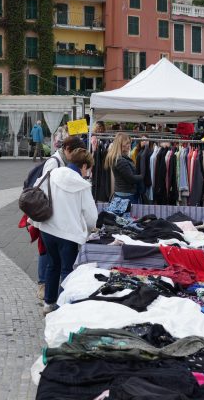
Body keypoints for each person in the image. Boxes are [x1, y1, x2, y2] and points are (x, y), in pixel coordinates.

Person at [34, 148, 97, 314]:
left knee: (52, 265)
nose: (87, 173)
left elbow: (38, 189)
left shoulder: (52, 173)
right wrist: (89, 230)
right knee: (67, 270)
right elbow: (91, 216)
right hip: (69, 234)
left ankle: (48, 303)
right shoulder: (82, 184)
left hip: (47, 228)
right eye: (88, 169)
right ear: (84, 166)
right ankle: (62, 308)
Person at [104, 132, 140, 213]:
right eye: (127, 143)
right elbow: (131, 178)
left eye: (129, 143)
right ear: (120, 144)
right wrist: (143, 176)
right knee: (126, 218)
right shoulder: (120, 160)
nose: (129, 145)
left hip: (123, 194)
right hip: (126, 196)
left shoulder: (119, 158)